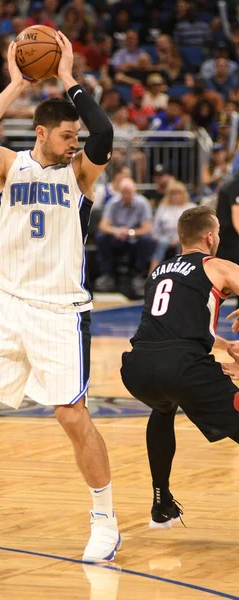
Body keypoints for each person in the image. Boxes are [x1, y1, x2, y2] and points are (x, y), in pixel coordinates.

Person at [0, 31, 120, 564]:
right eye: (63, 135)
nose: (74, 142)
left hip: (59, 310)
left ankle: (105, 520)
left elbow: (102, 130)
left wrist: (67, 77)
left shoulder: (81, 174)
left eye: (73, 135)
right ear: (40, 134)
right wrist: (14, 83)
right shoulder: (11, 166)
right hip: (6, 306)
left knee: (72, 417)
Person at [120, 206, 239, 530]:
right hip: (182, 366)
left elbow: (175, 325)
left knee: (163, 406)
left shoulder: (159, 271)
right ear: (211, 236)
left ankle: (162, 503)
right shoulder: (217, 266)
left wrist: (225, 345)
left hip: (138, 367)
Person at [96, 177, 153, 295]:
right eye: (124, 192)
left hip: (135, 236)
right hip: (117, 235)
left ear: (134, 191)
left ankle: (139, 275)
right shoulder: (113, 202)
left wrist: (130, 232)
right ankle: (107, 275)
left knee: (147, 240)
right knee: (101, 237)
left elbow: (147, 228)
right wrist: (116, 231)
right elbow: (103, 225)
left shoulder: (142, 203)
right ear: (120, 192)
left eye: (129, 192)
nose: (126, 195)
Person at [149, 180, 195, 273]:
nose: (175, 196)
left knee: (182, 245)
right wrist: (157, 237)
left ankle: (180, 273)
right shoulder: (163, 207)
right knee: (162, 243)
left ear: (183, 194)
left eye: (178, 193)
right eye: (173, 193)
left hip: (184, 237)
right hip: (164, 236)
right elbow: (156, 227)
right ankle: (152, 273)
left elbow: (193, 228)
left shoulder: (190, 207)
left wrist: (179, 238)